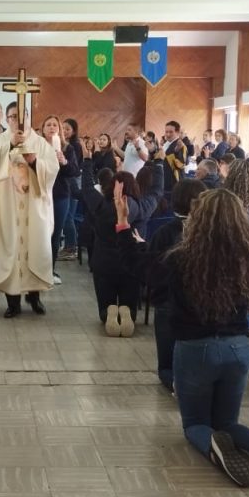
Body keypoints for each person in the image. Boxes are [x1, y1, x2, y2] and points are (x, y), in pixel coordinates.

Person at [121, 185, 249, 487]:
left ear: (197, 219)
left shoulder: (181, 258)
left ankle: (216, 448)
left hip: (195, 350)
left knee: (196, 424)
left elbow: (141, 269)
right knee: (227, 422)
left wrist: (124, 226)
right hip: (239, 349)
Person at [0, 109, 59, 317]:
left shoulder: (40, 143)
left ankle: (35, 298)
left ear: (29, 118)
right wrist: (10, 146)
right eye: (13, 116)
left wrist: (34, 162)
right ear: (7, 119)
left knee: (35, 248)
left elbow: (52, 168)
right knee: (10, 250)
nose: (19, 120)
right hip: (7, 208)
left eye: (23, 116)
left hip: (34, 207)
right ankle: (12, 302)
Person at [82, 156, 164, 335]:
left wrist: (87, 160)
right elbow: (157, 191)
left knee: (105, 299)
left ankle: (108, 312)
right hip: (132, 263)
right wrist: (158, 164)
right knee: (130, 297)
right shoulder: (142, 207)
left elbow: (87, 188)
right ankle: (128, 312)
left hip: (103, 262)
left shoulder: (100, 206)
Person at [143, 178, 208, 390]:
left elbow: (152, 272)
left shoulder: (164, 233)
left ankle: (175, 382)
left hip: (168, 301)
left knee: (167, 362)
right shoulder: (211, 232)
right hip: (201, 302)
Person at [40, 115, 79, 284]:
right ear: (43, 129)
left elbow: (74, 171)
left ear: (59, 129)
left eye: (54, 125)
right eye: (48, 125)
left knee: (55, 234)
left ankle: (50, 270)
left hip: (60, 195)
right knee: (40, 233)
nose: (51, 127)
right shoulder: (37, 147)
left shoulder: (67, 148)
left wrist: (64, 161)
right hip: (40, 195)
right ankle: (37, 269)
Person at [58, 118, 83, 260]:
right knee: (67, 216)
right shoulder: (62, 144)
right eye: (63, 128)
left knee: (68, 216)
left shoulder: (74, 146)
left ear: (73, 132)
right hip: (66, 183)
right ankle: (69, 245)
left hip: (72, 184)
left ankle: (71, 248)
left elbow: (74, 168)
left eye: (68, 129)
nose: (65, 131)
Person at [159, 120, 189, 190]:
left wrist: (176, 152)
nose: (168, 134)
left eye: (171, 132)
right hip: (164, 179)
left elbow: (183, 163)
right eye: (166, 132)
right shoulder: (166, 144)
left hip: (174, 182)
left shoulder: (181, 145)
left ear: (177, 132)